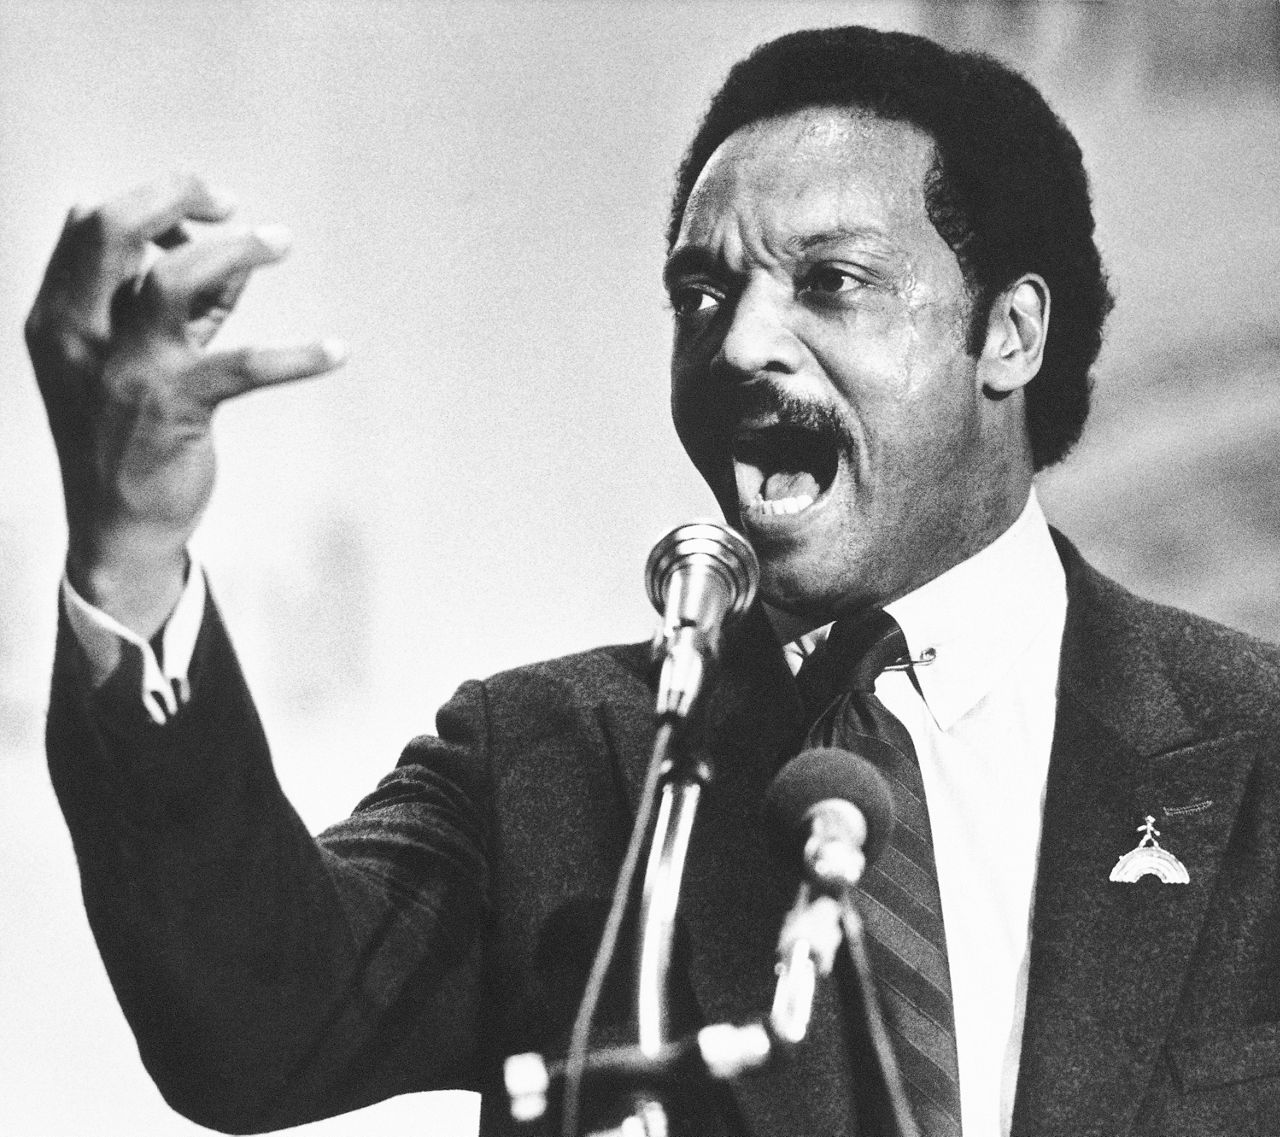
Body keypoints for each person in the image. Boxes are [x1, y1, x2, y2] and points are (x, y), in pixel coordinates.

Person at [27, 24, 1280, 1137]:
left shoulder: (1255, 747)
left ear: (1007, 333)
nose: (736, 343)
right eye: (701, 291)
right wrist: (130, 546)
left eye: (830, 283)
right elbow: (252, 1029)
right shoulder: (557, 767)